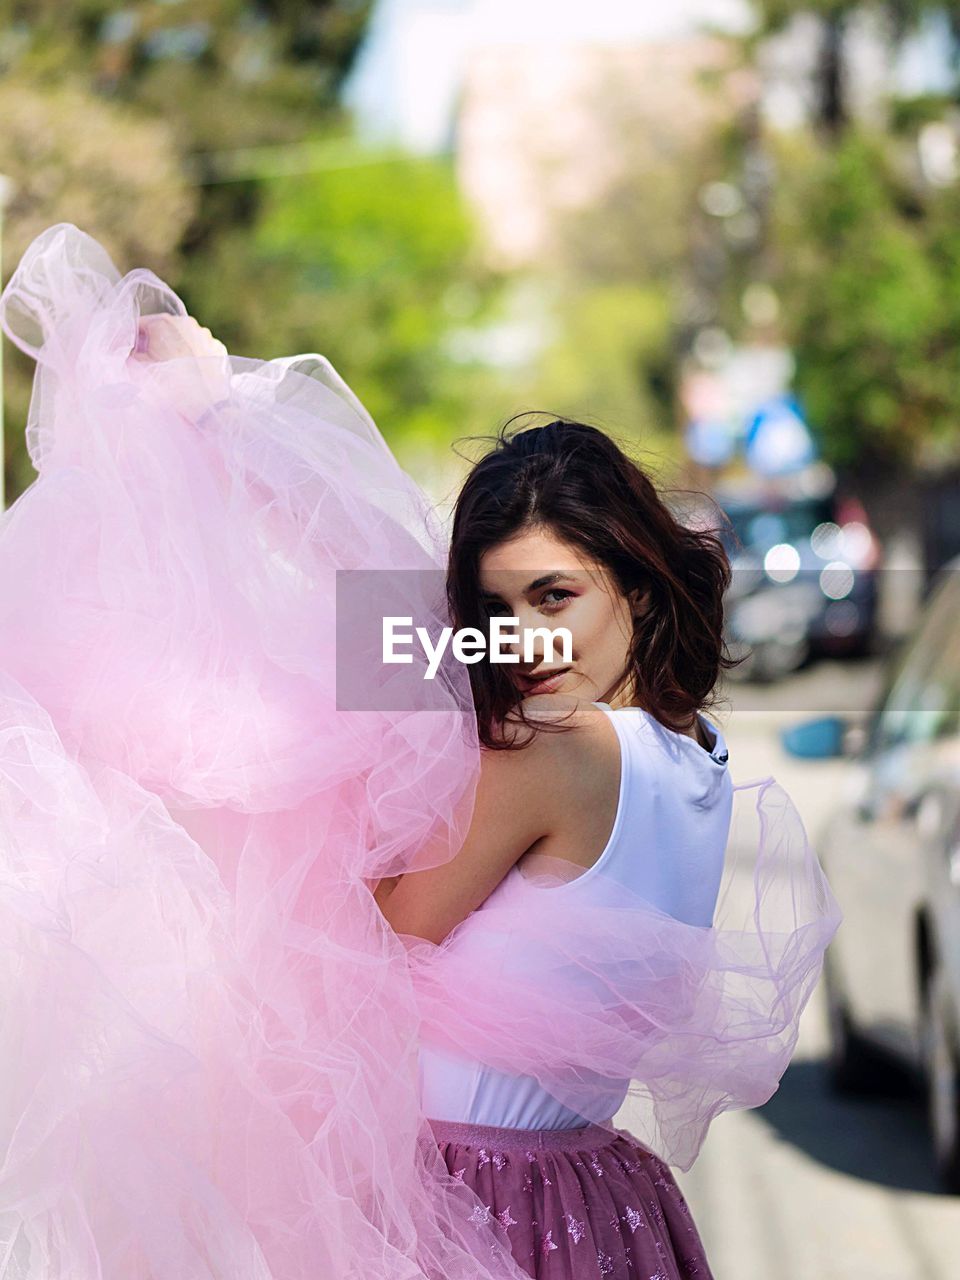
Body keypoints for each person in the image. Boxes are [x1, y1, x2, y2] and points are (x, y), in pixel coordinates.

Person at [0, 223, 842, 1280]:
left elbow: (370, 935)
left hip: (475, 1201)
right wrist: (228, 422)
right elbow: (397, 628)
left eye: (555, 596)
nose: (521, 641)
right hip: (593, 1195)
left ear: (635, 579)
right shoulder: (695, 754)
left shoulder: (560, 755)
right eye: (494, 607)